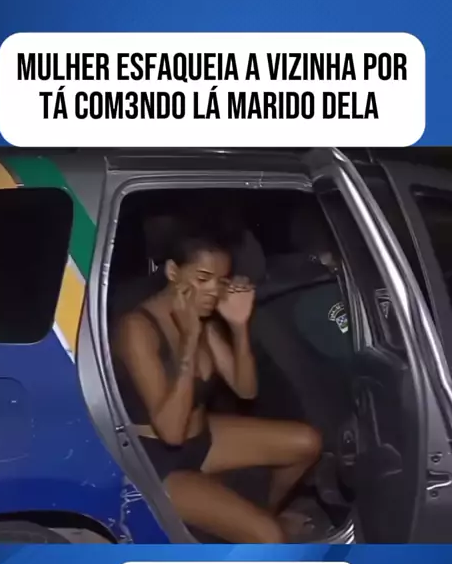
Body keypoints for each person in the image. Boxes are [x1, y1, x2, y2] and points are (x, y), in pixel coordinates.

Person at [112, 222, 323, 544]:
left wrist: (238, 326)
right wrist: (188, 341)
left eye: (221, 281)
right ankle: (260, 529)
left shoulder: (203, 319)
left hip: (203, 439)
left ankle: (261, 515)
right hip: (157, 461)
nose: (213, 291)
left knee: (307, 443)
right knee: (269, 537)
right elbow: (171, 432)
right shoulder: (137, 329)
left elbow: (245, 389)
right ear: (172, 272)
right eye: (202, 279)